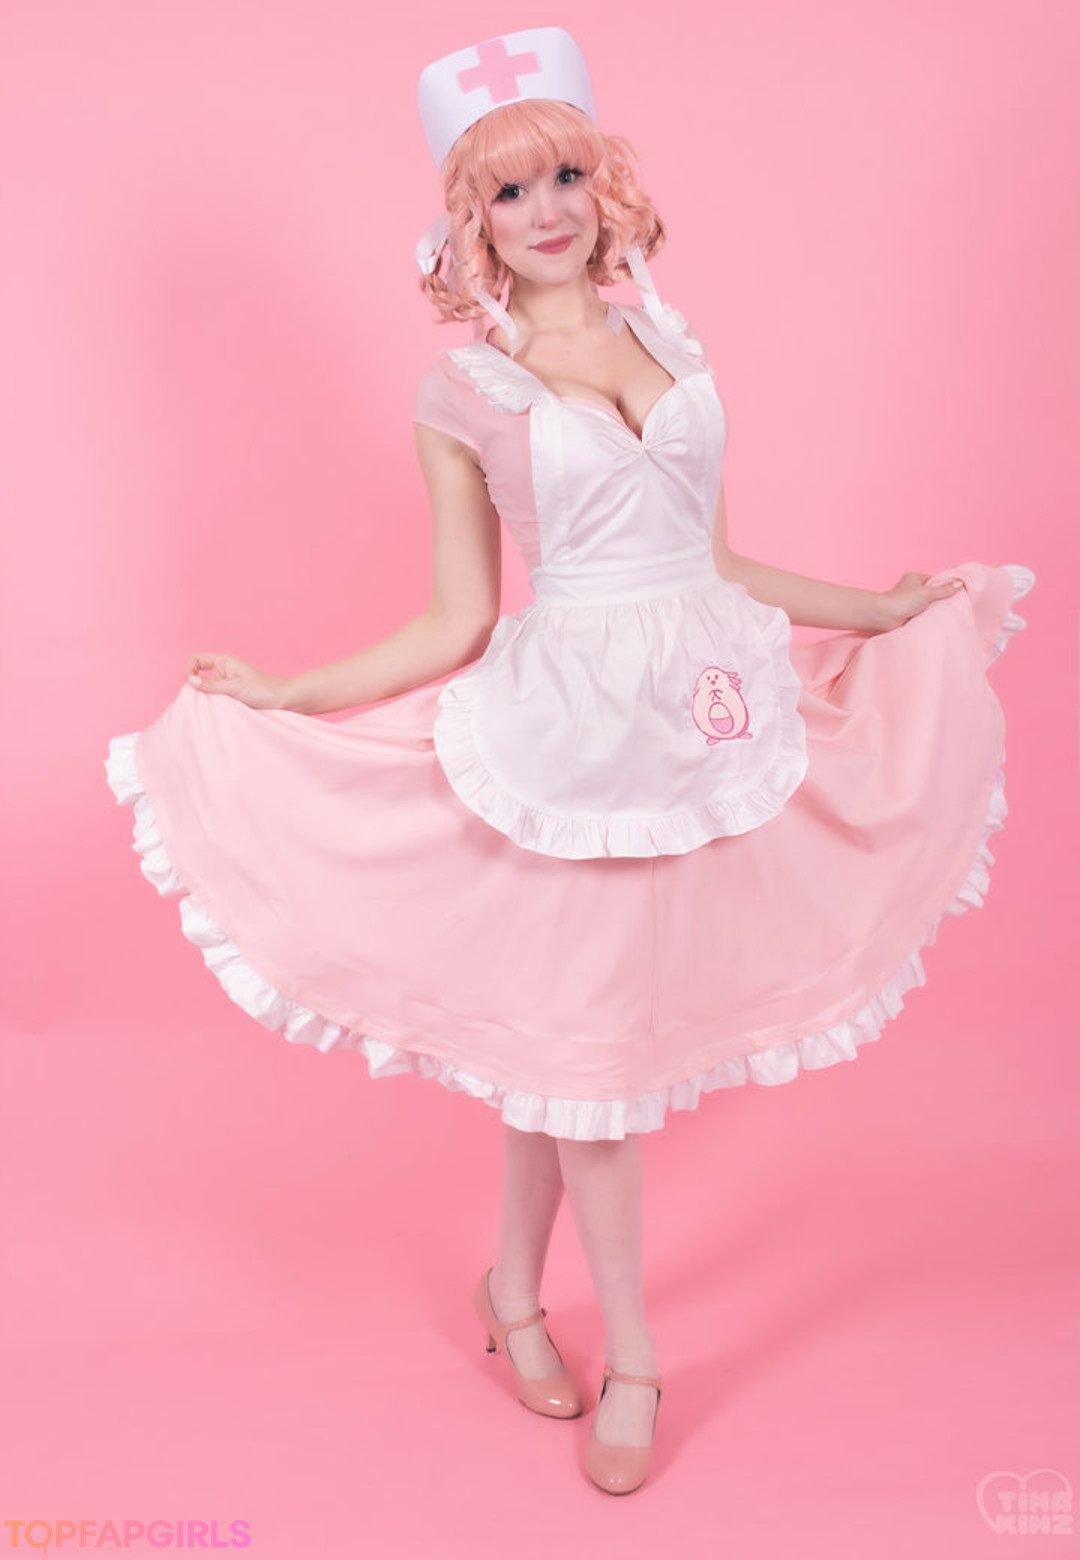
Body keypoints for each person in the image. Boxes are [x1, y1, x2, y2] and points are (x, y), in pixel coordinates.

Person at [105, 27, 1034, 1496]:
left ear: (606, 188)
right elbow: (459, 617)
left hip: (703, 715)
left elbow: (717, 560)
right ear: (468, 222)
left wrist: (880, 606)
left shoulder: (675, 342)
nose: (543, 210)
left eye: (563, 177)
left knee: (572, 1049)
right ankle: (637, 1358)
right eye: (507, 190)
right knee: (592, 1053)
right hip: (573, 741)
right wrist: (290, 690)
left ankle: (512, 1294)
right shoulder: (465, 392)